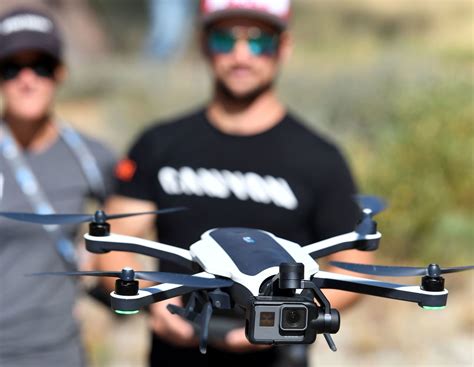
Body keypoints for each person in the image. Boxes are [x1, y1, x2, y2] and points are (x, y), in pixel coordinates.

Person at [99, 0, 374, 366]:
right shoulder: (159, 144)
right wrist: (152, 301)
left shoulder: (320, 158)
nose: (241, 55)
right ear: (202, 44)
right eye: (225, 40)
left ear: (284, 47)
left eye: (259, 41)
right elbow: (110, 243)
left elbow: (355, 268)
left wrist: (289, 316)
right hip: (176, 353)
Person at [0, 6, 115, 367]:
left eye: (41, 67)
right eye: (11, 67)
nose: (27, 80)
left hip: (57, 352)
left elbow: (124, 239)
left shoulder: (93, 158)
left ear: (61, 73)